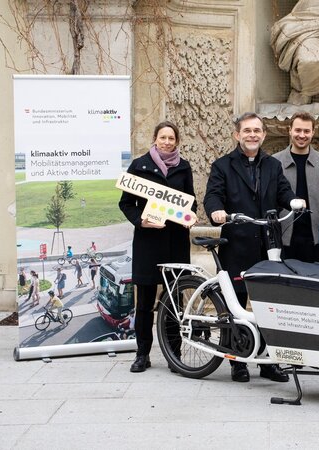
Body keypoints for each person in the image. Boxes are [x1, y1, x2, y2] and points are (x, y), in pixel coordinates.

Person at [204, 112, 303, 383]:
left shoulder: (273, 165)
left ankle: (268, 362)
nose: (252, 135)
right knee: (234, 302)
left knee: (269, 304)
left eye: (257, 130)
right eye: (247, 130)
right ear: (237, 134)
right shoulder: (222, 165)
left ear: (263, 135)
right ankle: (237, 360)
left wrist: (294, 201)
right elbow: (213, 195)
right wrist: (216, 211)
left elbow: (283, 191)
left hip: (268, 243)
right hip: (236, 243)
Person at [119, 121, 196, 373]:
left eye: (171, 138)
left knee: (174, 302)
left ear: (177, 141)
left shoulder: (183, 167)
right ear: (155, 138)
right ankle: (142, 354)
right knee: (144, 304)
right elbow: (126, 203)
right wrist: (141, 221)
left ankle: (174, 354)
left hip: (176, 244)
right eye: (163, 137)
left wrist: (188, 217)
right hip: (148, 244)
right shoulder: (139, 165)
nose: (167, 142)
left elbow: (191, 203)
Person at [272, 112, 319, 262]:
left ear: (313, 132)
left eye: (306, 131)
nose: (302, 135)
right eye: (298, 130)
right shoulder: (274, 162)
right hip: (284, 239)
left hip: (317, 240)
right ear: (290, 130)